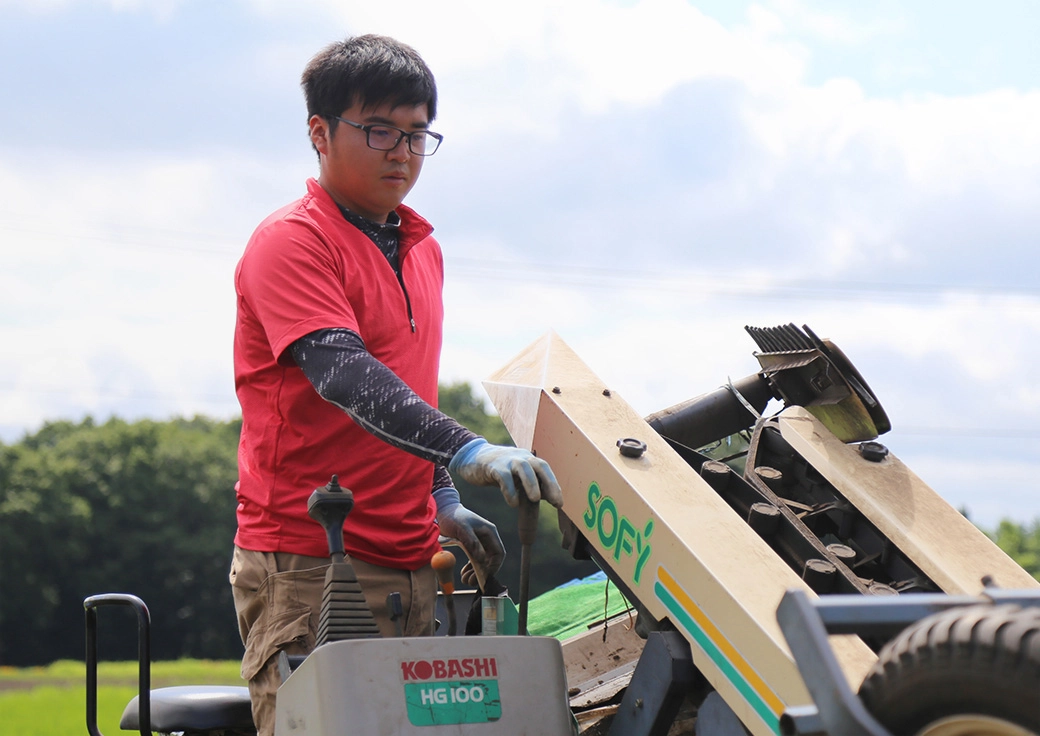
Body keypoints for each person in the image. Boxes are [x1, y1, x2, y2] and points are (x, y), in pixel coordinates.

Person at [228, 34, 563, 735]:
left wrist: (440, 496)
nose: (402, 152)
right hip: (315, 564)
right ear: (320, 132)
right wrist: (470, 452)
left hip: (416, 564)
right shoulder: (292, 242)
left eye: (417, 134)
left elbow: (409, 389)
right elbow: (347, 377)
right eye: (379, 130)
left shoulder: (422, 248)